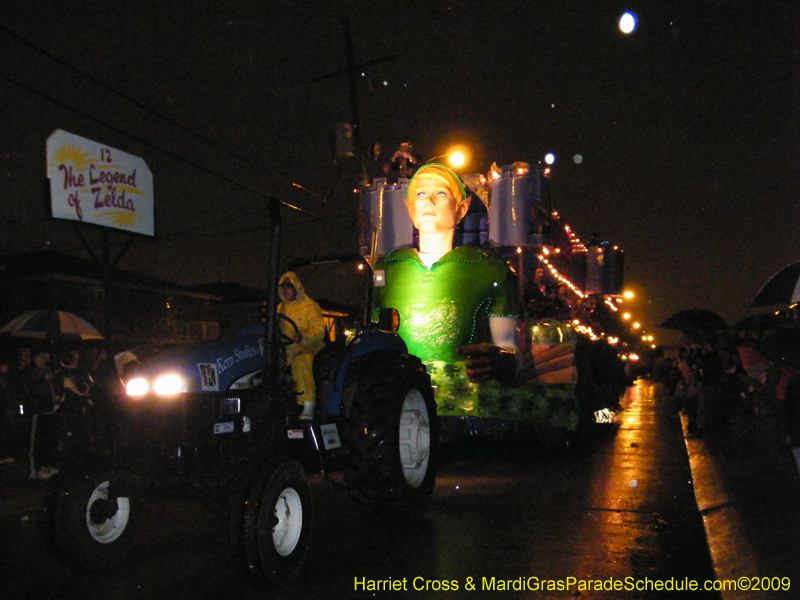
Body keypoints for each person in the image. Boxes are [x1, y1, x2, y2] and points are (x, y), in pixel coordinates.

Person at [372, 163, 573, 416]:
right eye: (421, 194)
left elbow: (508, 347)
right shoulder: (387, 268)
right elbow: (372, 334)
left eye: (442, 194)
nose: (430, 202)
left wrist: (497, 360)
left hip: (464, 406)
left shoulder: (490, 269)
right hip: (397, 401)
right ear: (409, 207)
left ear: (462, 208)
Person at [277, 271, 326, 420]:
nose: (285, 291)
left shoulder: (309, 306)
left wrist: (303, 338)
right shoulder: (279, 308)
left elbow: (319, 330)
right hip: (286, 350)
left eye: (289, 287)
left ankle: (308, 404)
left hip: (309, 348)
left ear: (296, 287)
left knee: (301, 361)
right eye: (283, 287)